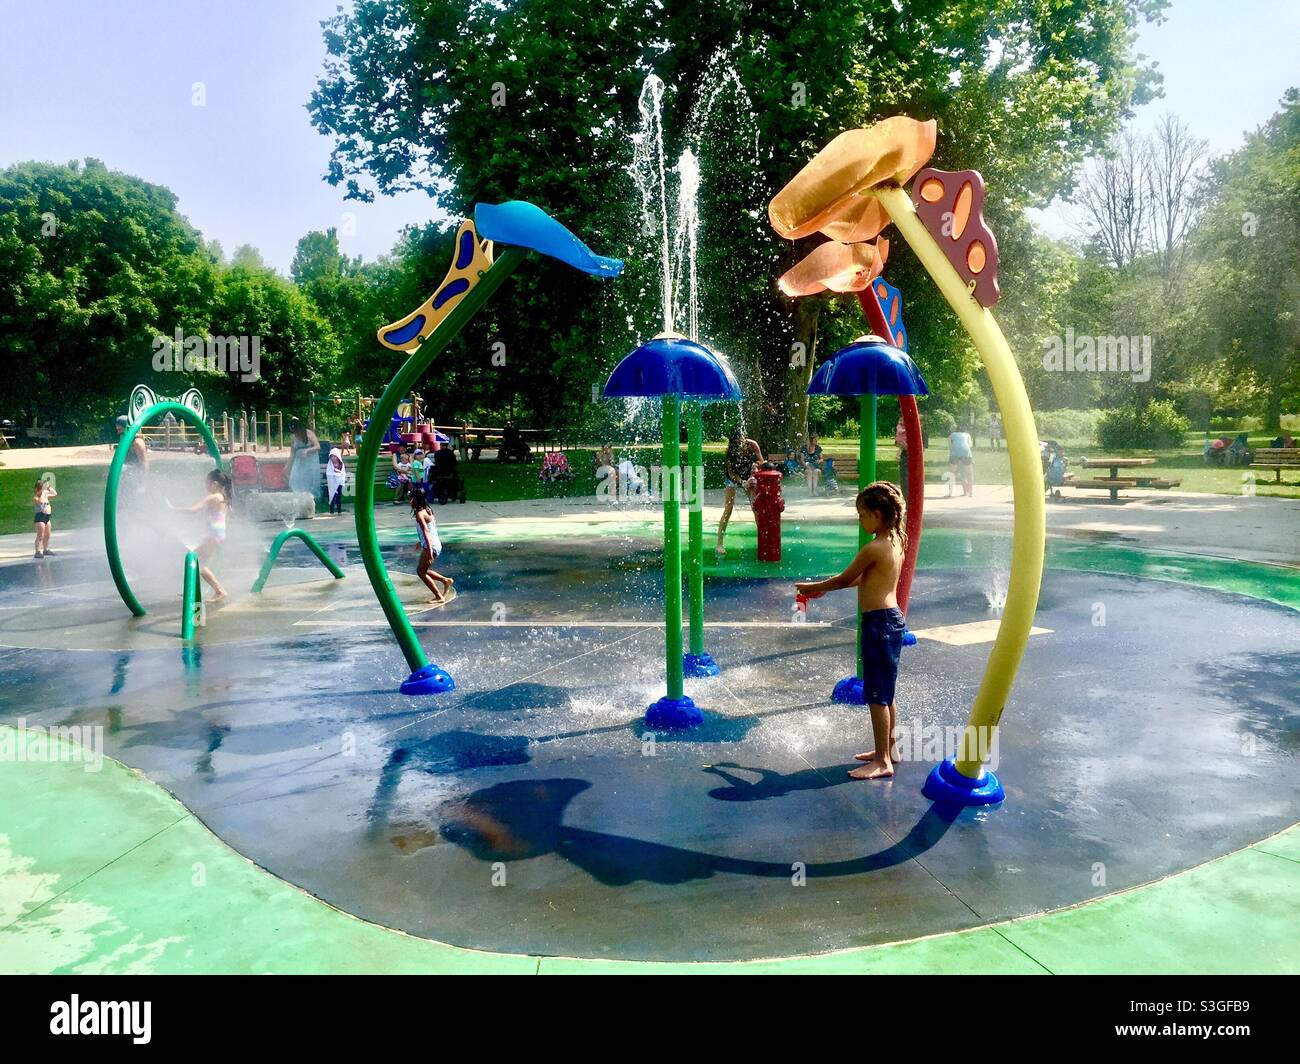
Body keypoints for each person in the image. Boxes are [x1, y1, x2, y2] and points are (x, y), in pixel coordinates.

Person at [795, 482, 907, 780]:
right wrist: (823, 591)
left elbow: (846, 579)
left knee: (876, 695)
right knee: (886, 691)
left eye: (861, 515)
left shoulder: (873, 547)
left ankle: (882, 761)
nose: (859, 520)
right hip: (891, 620)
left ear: (877, 515)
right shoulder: (895, 541)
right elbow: (867, 579)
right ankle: (890, 749)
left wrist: (812, 587)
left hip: (879, 624)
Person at [167, 468, 231, 603]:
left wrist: (175, 509)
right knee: (196, 562)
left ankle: (219, 591)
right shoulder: (223, 498)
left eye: (206, 483)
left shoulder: (213, 497)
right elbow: (223, 516)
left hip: (214, 535)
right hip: (218, 534)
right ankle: (191, 590)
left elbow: (193, 510)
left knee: (197, 562)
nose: (205, 485)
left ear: (214, 484)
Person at [717, 427, 763, 556]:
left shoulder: (752, 445)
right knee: (729, 508)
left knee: (755, 507)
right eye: (736, 442)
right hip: (732, 478)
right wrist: (741, 482)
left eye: (741, 440)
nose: (739, 444)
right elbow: (731, 472)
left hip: (748, 475)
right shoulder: (730, 451)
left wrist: (755, 468)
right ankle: (719, 543)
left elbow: (762, 462)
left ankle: (763, 540)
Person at [409, 488, 454, 603]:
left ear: (417, 500)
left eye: (411, 499)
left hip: (431, 546)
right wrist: (421, 542)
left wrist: (428, 549)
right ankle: (446, 581)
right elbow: (431, 528)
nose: (409, 502)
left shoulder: (420, 514)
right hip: (435, 544)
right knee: (422, 570)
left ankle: (439, 596)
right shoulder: (427, 510)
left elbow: (426, 531)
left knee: (421, 572)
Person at [114, 415, 149, 494]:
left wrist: (142, 485)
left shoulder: (137, 443)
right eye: (117, 429)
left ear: (127, 428)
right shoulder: (124, 440)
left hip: (135, 479)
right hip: (126, 479)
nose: (118, 432)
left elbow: (144, 463)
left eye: (120, 429)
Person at [288, 418, 321, 496]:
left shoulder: (309, 433)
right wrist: (287, 466)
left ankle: (309, 496)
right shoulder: (293, 437)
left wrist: (307, 450)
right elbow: (292, 454)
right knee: (295, 478)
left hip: (310, 461)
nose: (295, 433)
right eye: (293, 431)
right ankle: (298, 496)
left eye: (295, 431)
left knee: (308, 479)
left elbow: (318, 446)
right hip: (299, 461)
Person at [947, 426, 974, 497]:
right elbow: (970, 445)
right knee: (969, 474)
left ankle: (950, 493)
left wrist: (953, 454)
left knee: (952, 473)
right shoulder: (967, 434)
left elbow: (950, 446)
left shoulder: (952, 434)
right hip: (966, 452)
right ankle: (970, 493)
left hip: (955, 452)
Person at [32, 477, 56, 558]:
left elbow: (55, 493)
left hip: (47, 517)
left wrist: (48, 486)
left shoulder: (45, 495)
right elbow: (41, 501)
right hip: (40, 517)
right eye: (41, 489)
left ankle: (45, 549)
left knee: (47, 534)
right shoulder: (36, 498)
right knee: (40, 535)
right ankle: (38, 551)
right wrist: (43, 492)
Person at [325, 447, 347, 514]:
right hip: (332, 483)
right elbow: (329, 473)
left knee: (338, 497)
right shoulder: (330, 465)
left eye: (334, 456)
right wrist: (335, 474)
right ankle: (331, 511)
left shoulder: (341, 465)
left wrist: (339, 476)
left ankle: (339, 511)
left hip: (339, 483)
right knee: (332, 496)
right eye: (331, 456)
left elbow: (342, 474)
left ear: (338, 456)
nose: (333, 458)